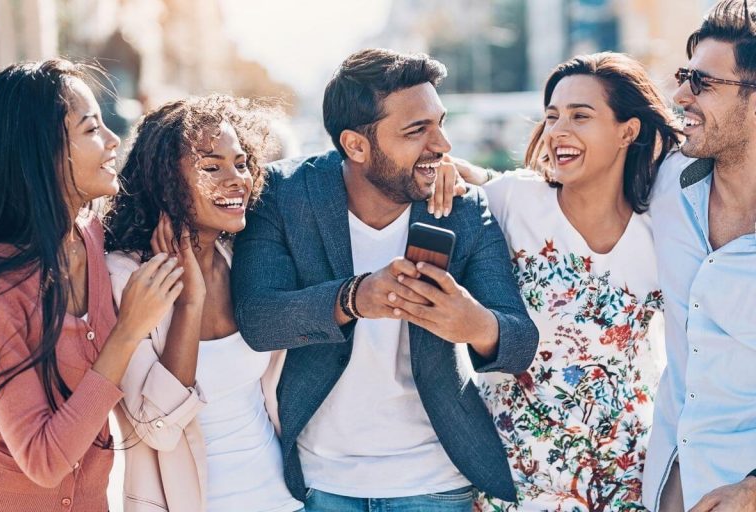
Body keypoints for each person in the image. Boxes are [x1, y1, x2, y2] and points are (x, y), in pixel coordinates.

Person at [230, 48, 539, 512]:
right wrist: (355, 298)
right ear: (356, 145)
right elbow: (258, 319)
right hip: (319, 483)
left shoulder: (463, 208)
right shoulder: (284, 196)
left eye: (440, 122)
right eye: (417, 130)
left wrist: (473, 324)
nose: (442, 145)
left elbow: (520, 341)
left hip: (436, 481)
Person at [450, 52, 680, 510]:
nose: (558, 130)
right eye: (552, 116)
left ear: (627, 131)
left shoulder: (664, 232)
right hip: (511, 480)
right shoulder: (513, 201)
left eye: (580, 115)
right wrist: (439, 169)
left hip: (622, 480)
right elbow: (449, 176)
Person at [0, 59, 182, 511]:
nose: (114, 140)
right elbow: (44, 459)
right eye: (92, 128)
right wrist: (128, 331)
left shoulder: (92, 237)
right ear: (42, 151)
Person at [104, 95, 303, 512]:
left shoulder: (241, 259)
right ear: (166, 182)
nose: (237, 180)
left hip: (284, 500)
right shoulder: (125, 278)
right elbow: (156, 429)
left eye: (241, 162)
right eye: (211, 167)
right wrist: (189, 303)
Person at [640, 1, 756, 510]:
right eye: (684, 77)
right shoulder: (666, 183)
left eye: (703, 83)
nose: (680, 95)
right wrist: (453, 175)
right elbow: (563, 195)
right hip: (669, 481)